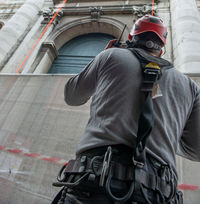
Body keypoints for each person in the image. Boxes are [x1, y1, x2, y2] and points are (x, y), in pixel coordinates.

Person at [52, 15, 200, 204]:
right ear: (161, 49)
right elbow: (197, 150)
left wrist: (100, 56)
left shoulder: (110, 56)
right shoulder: (190, 86)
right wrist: (167, 134)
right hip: (156, 192)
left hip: (94, 183)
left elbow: (72, 96)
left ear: (131, 39)